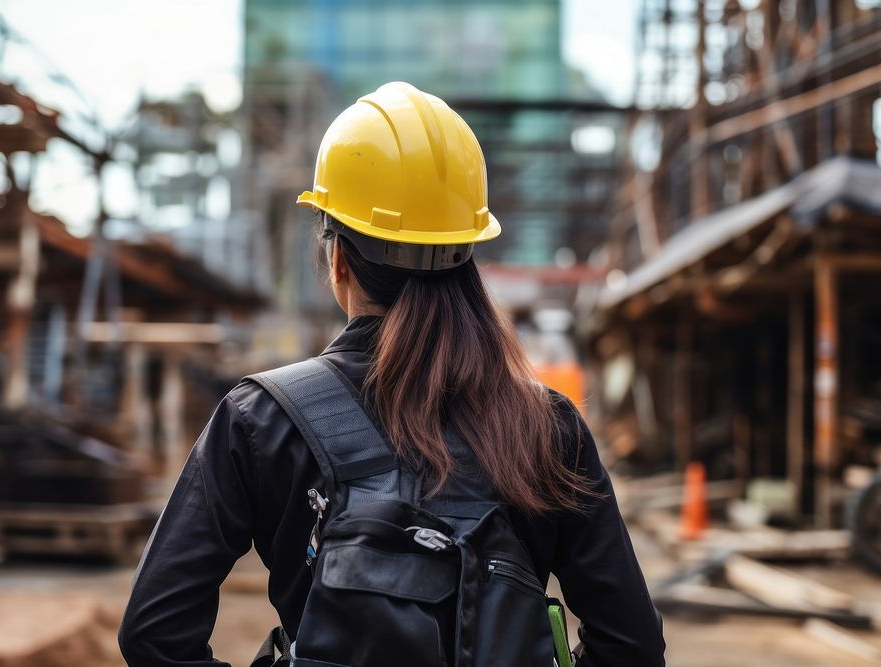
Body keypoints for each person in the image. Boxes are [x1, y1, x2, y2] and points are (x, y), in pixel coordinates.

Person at [119, 82, 665, 667]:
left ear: (338, 257)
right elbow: (630, 646)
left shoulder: (262, 418)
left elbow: (154, 634)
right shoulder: (549, 428)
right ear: (467, 251)